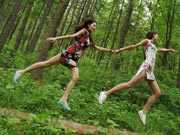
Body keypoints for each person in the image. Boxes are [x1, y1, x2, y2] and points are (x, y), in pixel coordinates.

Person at [13, 18, 113, 111]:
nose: (95, 28)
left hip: (74, 58)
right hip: (69, 54)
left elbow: (98, 48)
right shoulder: (84, 31)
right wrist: (56, 38)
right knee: (71, 75)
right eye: (94, 25)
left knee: (48, 65)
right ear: (88, 25)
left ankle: (21, 72)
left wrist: (111, 51)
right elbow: (71, 36)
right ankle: (63, 99)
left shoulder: (88, 38)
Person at [98, 31, 178, 125]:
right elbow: (133, 46)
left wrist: (170, 50)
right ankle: (106, 93)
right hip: (145, 67)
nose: (158, 37)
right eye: (157, 35)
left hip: (150, 71)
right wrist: (120, 50)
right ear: (153, 35)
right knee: (129, 84)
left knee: (157, 93)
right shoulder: (147, 42)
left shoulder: (154, 47)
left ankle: (143, 112)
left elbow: (160, 50)